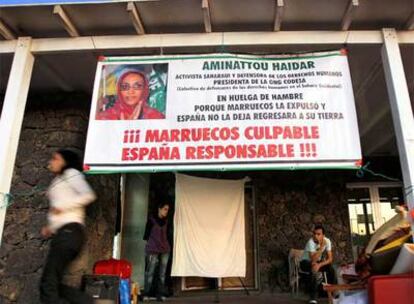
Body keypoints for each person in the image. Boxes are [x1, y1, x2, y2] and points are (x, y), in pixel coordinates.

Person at [39, 149, 96, 304]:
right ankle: (87, 301)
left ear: (65, 161)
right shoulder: (59, 180)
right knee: (52, 283)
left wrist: (63, 206)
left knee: (48, 283)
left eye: (56, 158)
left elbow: (88, 195)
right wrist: (50, 227)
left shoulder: (71, 173)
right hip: (64, 233)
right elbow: (59, 210)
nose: (52, 161)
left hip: (70, 233)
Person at [96, 70, 165, 120]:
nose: (131, 91)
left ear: (145, 90)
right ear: (119, 91)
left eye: (137, 86)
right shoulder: (103, 118)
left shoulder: (157, 117)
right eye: (125, 87)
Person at [300, 225, 336, 304]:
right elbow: (313, 259)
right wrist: (321, 247)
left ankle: (332, 294)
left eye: (318, 234)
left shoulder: (327, 241)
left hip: (317, 263)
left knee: (331, 269)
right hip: (305, 262)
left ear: (323, 235)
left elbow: (330, 259)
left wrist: (320, 265)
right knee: (313, 268)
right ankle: (313, 298)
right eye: (315, 234)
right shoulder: (310, 242)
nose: (316, 236)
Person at [143, 202, 171, 302]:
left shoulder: (167, 221)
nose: (166, 212)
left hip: (165, 250)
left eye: (167, 209)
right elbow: (146, 236)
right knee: (150, 272)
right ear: (159, 208)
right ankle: (146, 294)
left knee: (162, 274)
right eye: (165, 209)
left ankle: (160, 294)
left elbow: (168, 235)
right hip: (152, 249)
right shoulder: (151, 220)